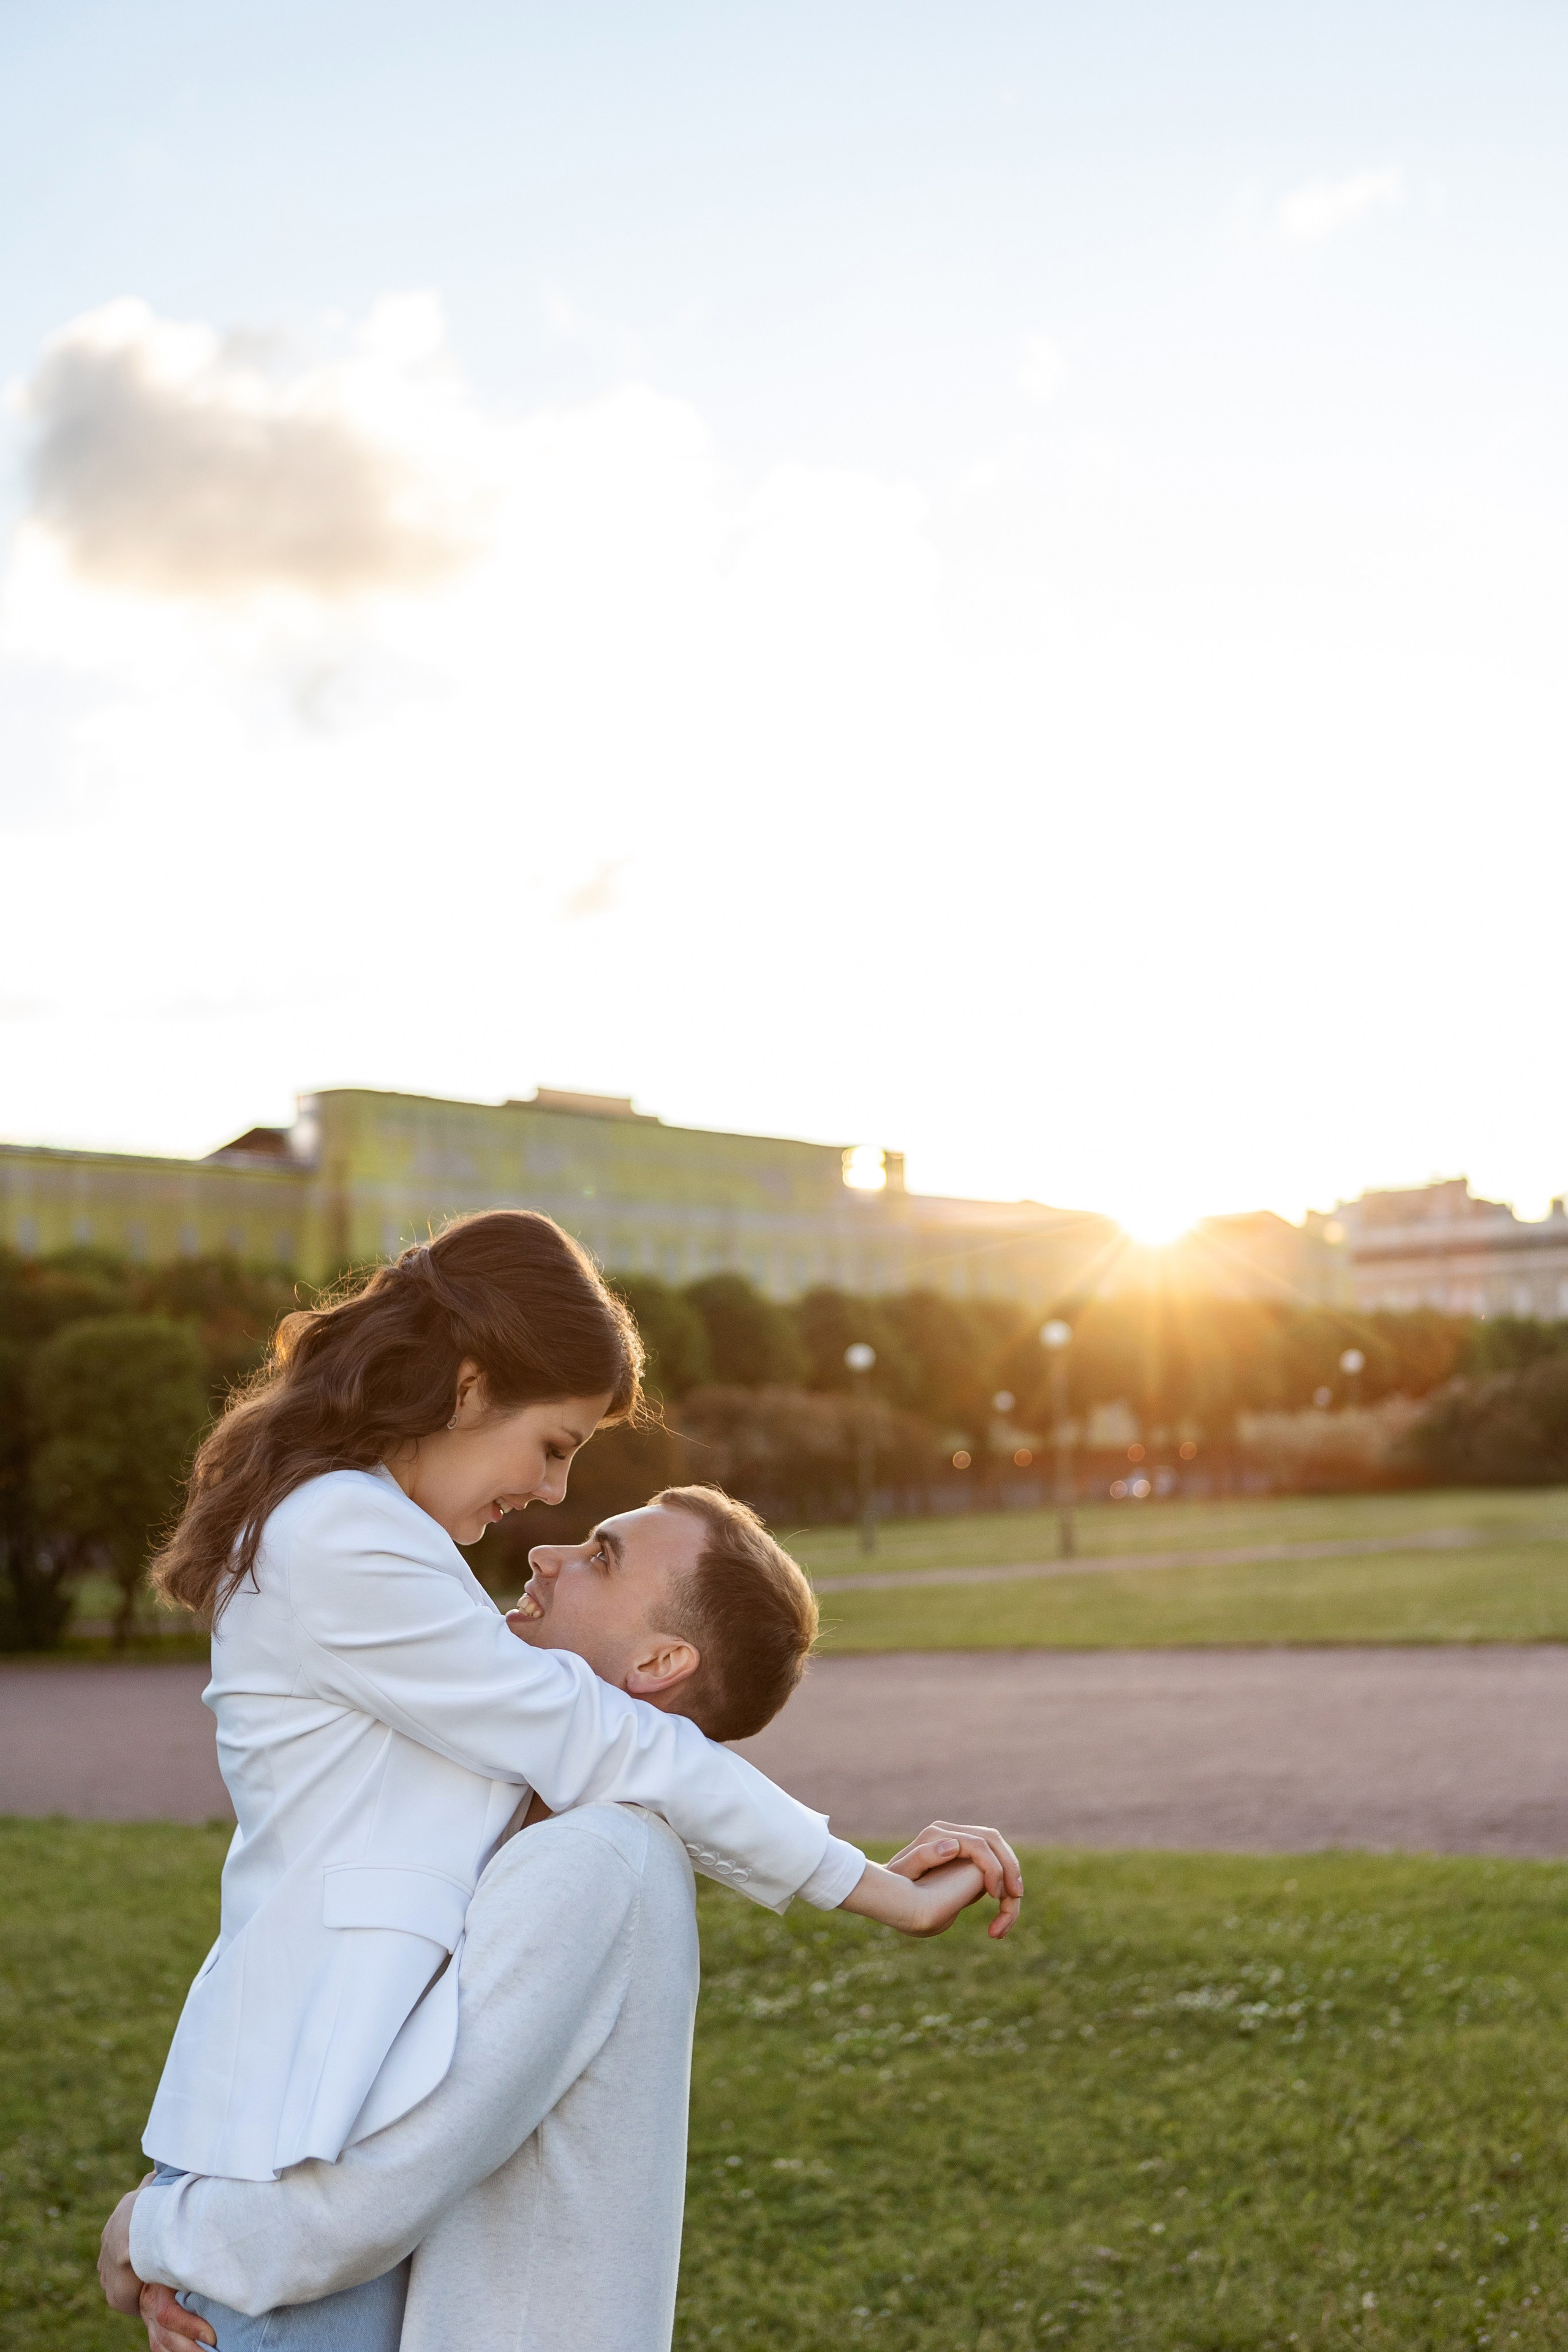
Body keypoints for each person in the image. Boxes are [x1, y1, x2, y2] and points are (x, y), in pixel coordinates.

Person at [116, 1212, 1022, 2344]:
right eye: (553, 1447)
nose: (548, 1505)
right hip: (284, 2181)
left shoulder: (381, 1551)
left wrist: (167, 2228)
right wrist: (875, 1889)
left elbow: (601, 1741)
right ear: (465, 1386)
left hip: (298, 2194)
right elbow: (600, 1732)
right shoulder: (348, 1538)